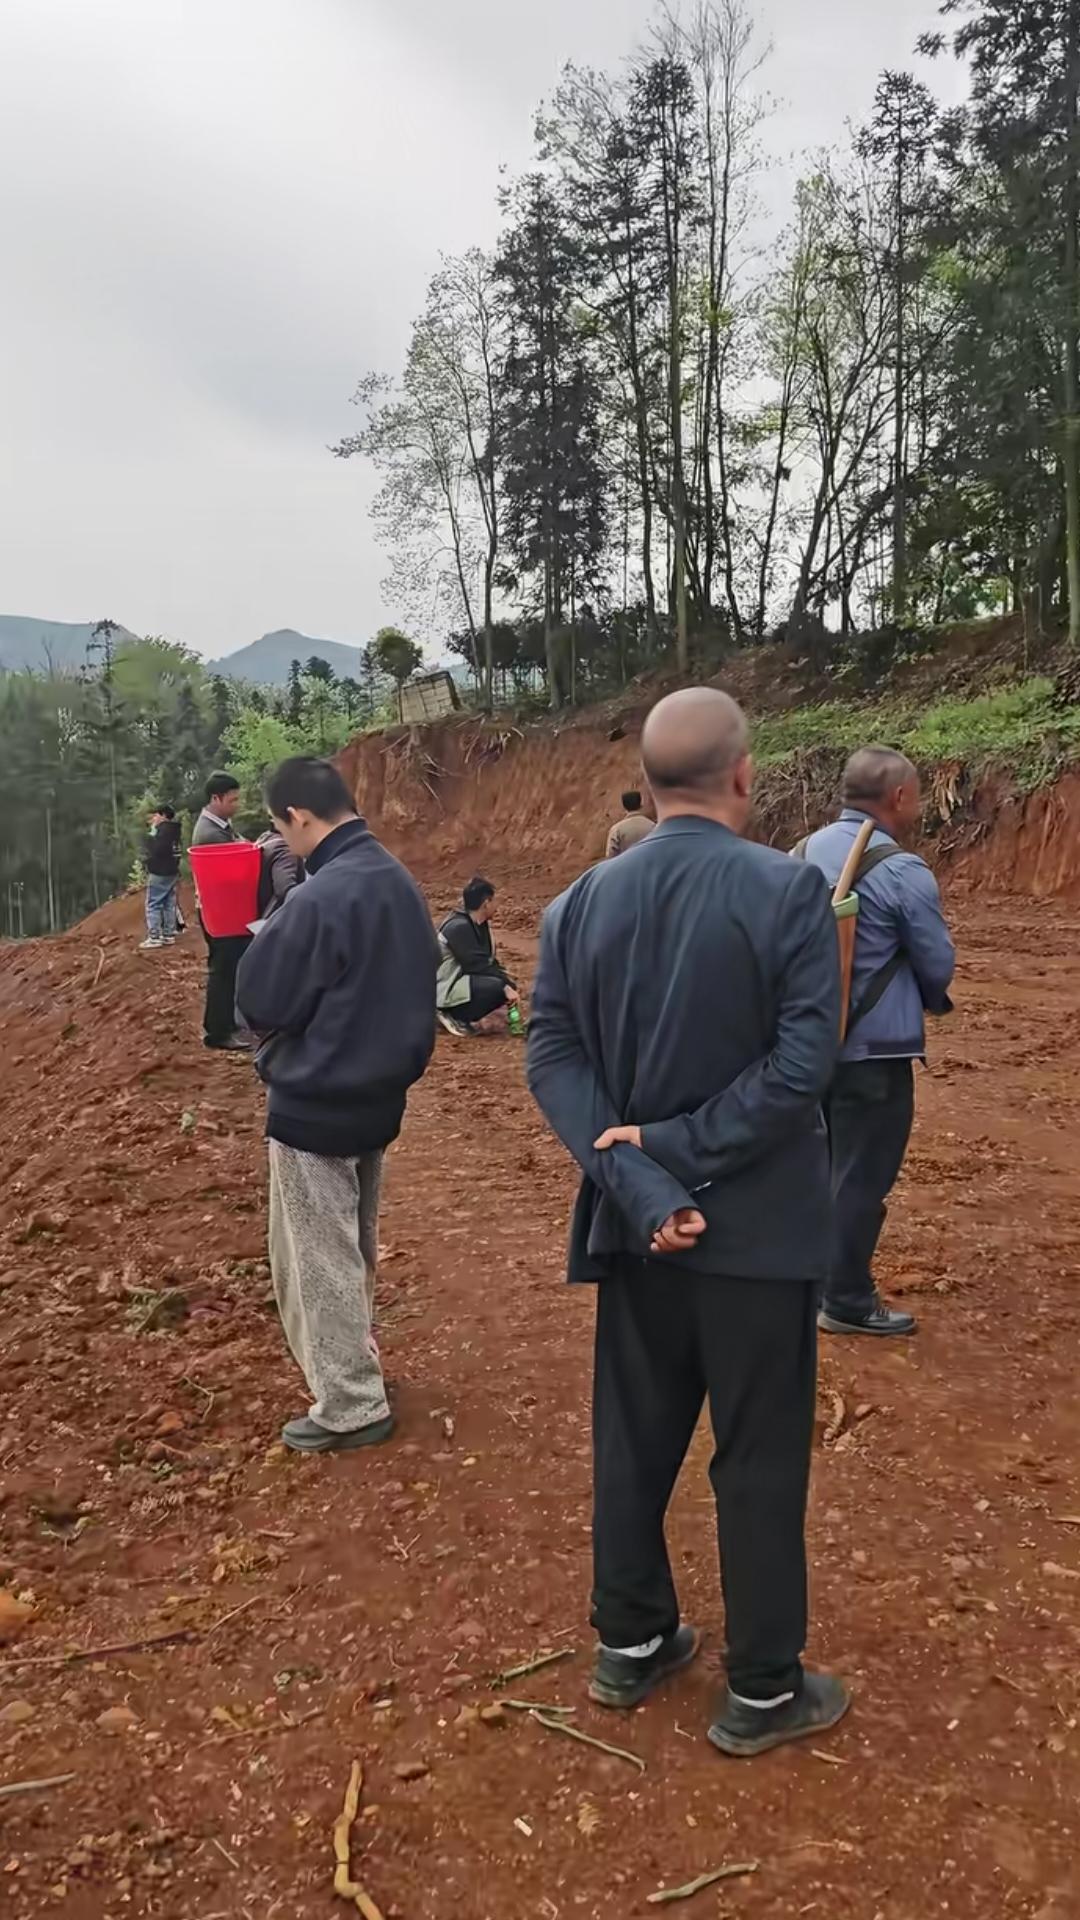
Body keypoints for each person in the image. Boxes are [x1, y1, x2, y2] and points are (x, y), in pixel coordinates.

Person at [527, 687, 848, 1759]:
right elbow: (801, 1068)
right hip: (755, 1239)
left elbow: (552, 1057)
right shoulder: (789, 891)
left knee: (634, 1438)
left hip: (635, 1231)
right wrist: (680, 1154)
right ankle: (762, 1689)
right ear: (745, 776)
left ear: (649, 784)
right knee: (757, 1457)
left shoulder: (577, 904)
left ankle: (631, 1639)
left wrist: (640, 1178)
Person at [235, 756, 437, 1455]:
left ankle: (350, 1403)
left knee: (316, 1259)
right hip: (379, 1098)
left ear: (298, 816)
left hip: (315, 1103)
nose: (284, 843)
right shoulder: (397, 880)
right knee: (352, 1246)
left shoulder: (321, 896)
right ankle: (359, 1363)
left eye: (279, 828)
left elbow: (261, 999)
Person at [800, 747, 956, 1339]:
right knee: (861, 1179)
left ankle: (810, 1283)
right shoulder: (902, 870)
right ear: (898, 797)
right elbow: (936, 963)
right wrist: (930, 998)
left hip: (806, 1049)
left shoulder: (797, 855)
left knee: (820, 1169)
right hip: (875, 1054)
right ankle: (844, 1299)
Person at [192, 771, 251, 1052]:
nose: (236, 805)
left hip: (224, 910)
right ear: (216, 798)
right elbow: (237, 863)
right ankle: (217, 1032)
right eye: (232, 800)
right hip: (219, 912)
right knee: (223, 971)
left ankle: (226, 1024)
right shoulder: (210, 834)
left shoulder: (221, 826)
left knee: (228, 969)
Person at [435, 877, 519, 1037]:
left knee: (504, 986)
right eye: (495, 901)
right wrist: (505, 986)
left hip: (458, 981)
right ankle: (450, 1014)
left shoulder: (478, 924)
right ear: (486, 903)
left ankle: (457, 1013)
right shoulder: (458, 927)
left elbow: (486, 961)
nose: (497, 906)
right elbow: (477, 965)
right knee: (497, 987)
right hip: (443, 988)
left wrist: (508, 983)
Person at [141, 805, 181, 950]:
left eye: (155, 815)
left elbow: (156, 850)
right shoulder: (175, 830)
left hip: (160, 871)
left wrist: (151, 836)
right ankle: (168, 934)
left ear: (163, 815)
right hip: (172, 870)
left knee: (153, 903)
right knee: (169, 902)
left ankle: (154, 937)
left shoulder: (163, 832)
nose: (153, 819)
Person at [255, 828, 303, 919]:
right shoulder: (286, 850)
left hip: (256, 916)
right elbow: (285, 889)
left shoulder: (265, 839)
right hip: (272, 919)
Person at [605, 789, 654, 859]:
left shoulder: (617, 829)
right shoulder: (652, 826)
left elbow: (611, 856)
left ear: (624, 806)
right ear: (641, 804)